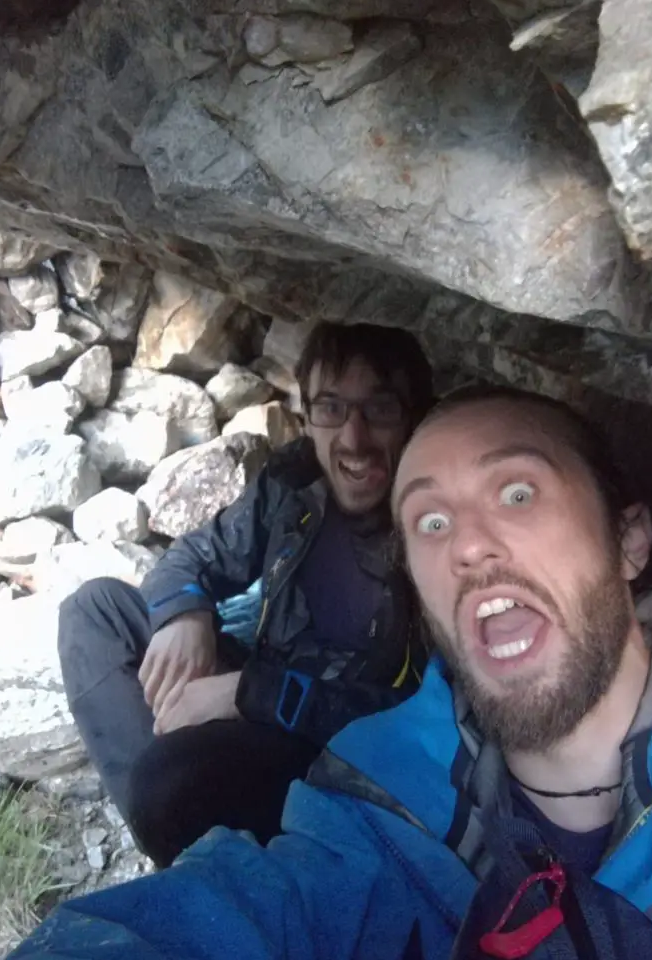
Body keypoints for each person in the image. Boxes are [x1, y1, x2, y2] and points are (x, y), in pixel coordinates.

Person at [0, 386, 652, 960]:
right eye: (431, 520)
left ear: (629, 541)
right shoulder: (377, 806)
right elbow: (218, 930)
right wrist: (182, 611)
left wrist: (253, 691)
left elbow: (358, 693)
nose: (467, 544)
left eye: (517, 492)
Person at [57, 322, 433, 867]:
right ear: (307, 417)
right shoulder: (293, 487)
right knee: (96, 611)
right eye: (331, 408)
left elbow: (415, 722)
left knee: (169, 781)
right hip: (254, 691)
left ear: (414, 420)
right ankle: (189, 843)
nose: (353, 439)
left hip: (329, 754)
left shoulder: (431, 532)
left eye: (379, 410)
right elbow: (193, 557)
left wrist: (248, 693)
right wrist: (186, 615)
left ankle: (184, 827)